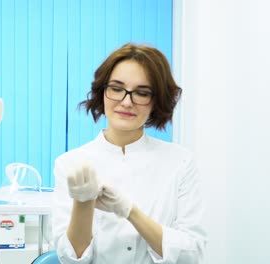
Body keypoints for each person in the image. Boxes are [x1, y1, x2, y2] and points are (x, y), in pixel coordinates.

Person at [51, 43, 207, 263]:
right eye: (116, 88)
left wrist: (129, 211)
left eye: (142, 93)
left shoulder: (180, 162)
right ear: (102, 92)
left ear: (156, 101)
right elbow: (70, 259)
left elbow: (191, 254)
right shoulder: (71, 164)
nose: (126, 102)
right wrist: (83, 203)